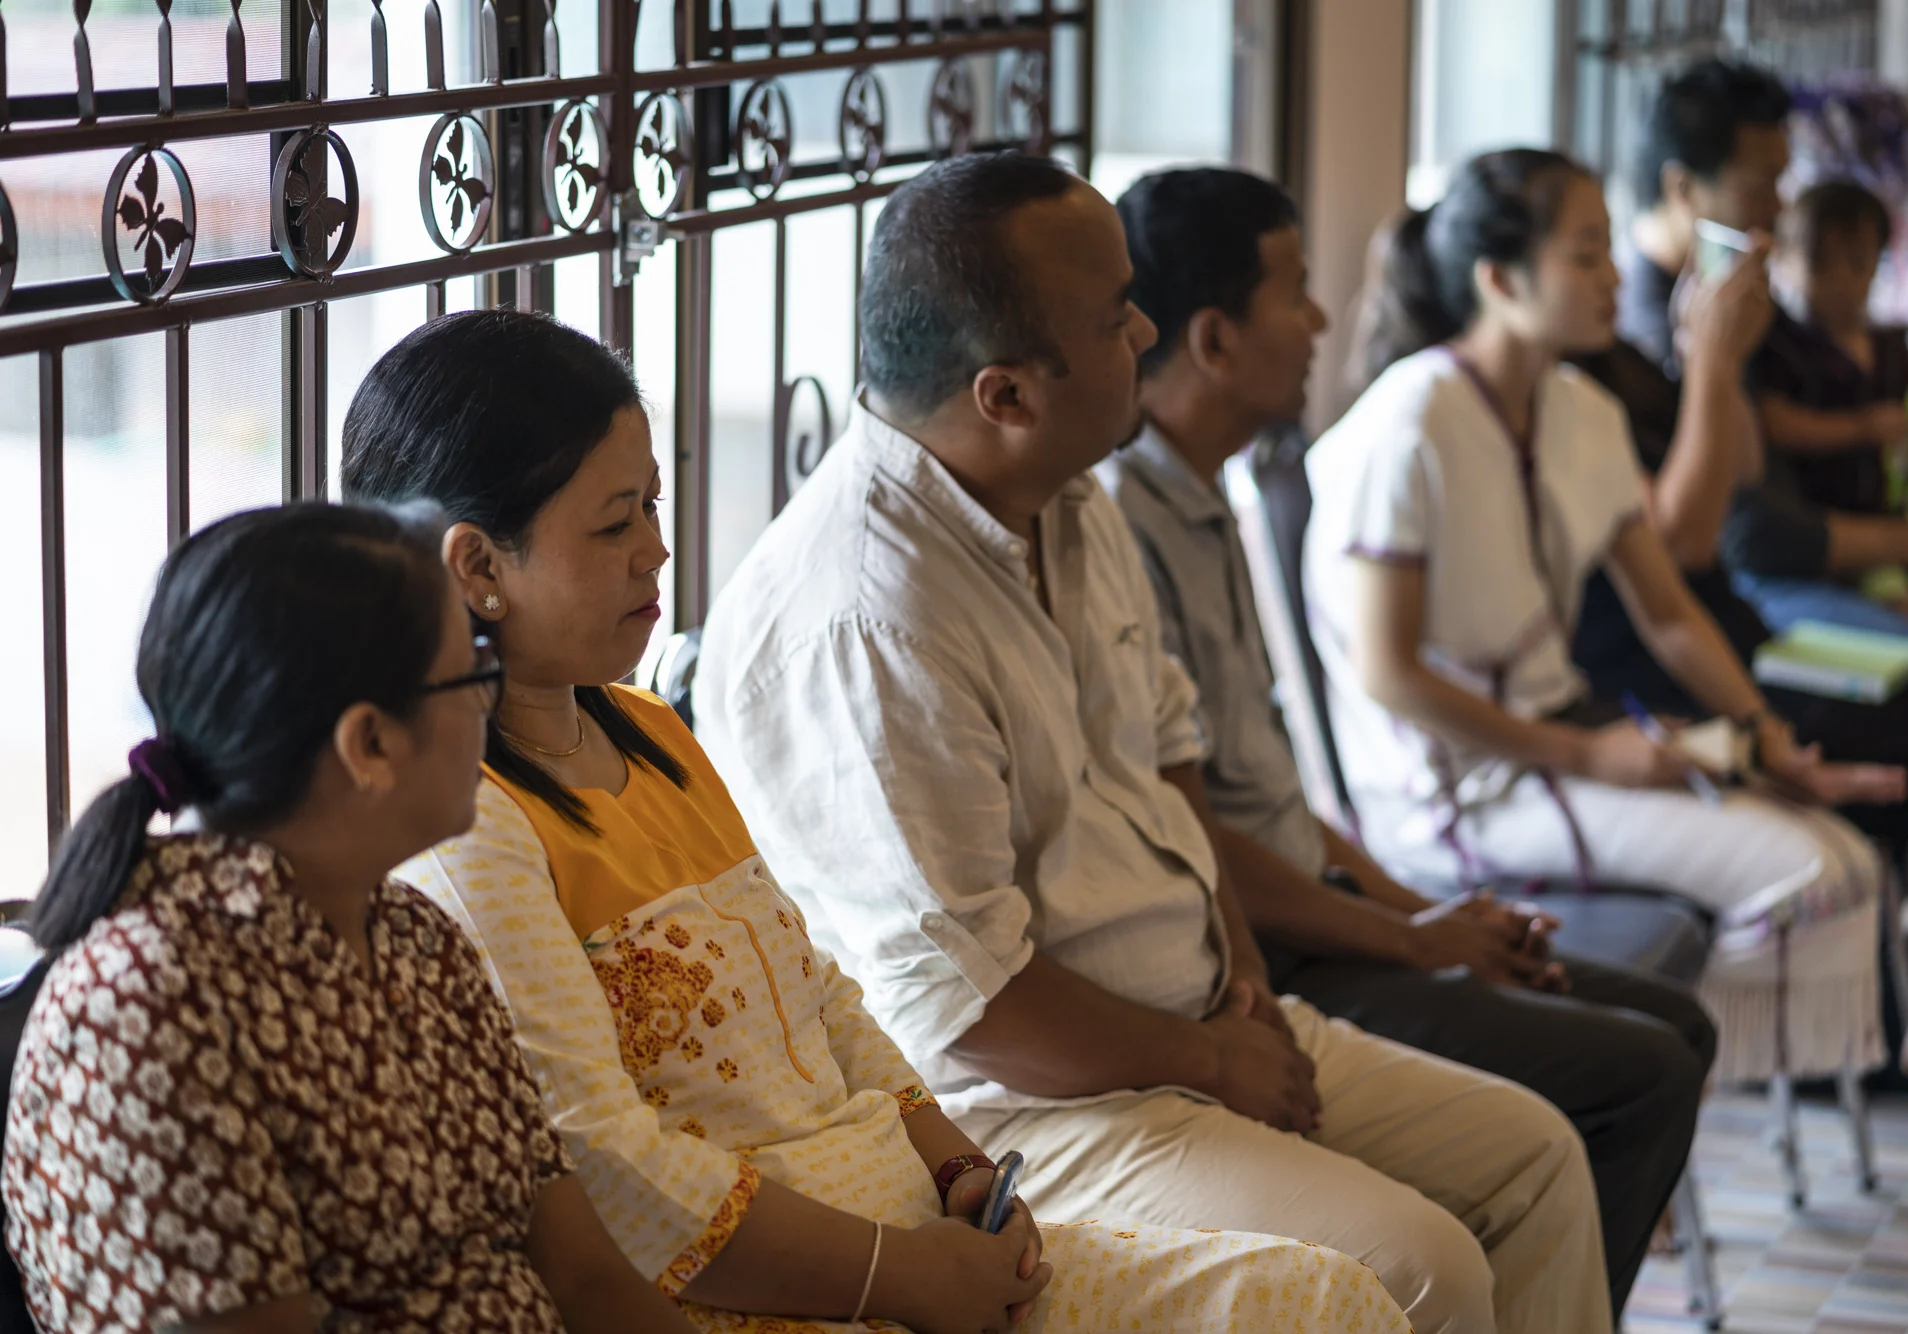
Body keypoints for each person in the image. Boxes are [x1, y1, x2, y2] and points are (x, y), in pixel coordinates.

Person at [340, 307, 1413, 1334]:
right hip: (768, 1297)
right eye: (615, 522)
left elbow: (819, 993)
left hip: (915, 1243)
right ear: (479, 567)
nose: (655, 551)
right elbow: (611, 1168)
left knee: (1326, 1300)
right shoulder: (470, 829)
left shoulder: (649, 731)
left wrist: (960, 1170)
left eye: (654, 506)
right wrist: (897, 1275)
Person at [697, 151, 1614, 1334]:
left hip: (1192, 1021)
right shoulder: (867, 619)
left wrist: (1244, 989)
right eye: (1114, 315)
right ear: (1004, 394)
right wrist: (1211, 1059)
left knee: (1534, 1155)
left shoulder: (1068, 494)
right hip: (1028, 1107)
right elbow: (976, 1013)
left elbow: (1169, 754)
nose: (1144, 329)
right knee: (1420, 1266)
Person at [1100, 164, 1716, 1318]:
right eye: (1293, 290)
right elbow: (1199, 839)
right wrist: (1409, 934)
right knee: (1637, 1076)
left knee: (1674, 1022)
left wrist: (1427, 916)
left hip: (1321, 903)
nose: (1320, 317)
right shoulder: (1122, 525)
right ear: (1214, 339)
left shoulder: (1208, 493)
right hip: (1264, 950)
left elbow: (1270, 797)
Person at [1, 503, 704, 1334]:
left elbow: (584, 1277)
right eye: (472, 674)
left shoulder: (415, 937)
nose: (491, 707)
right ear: (369, 744)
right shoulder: (147, 1006)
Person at [1313, 147, 1905, 1092]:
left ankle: (1654, 1094)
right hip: (1456, 797)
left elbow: (1669, 613)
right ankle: (1657, 1097)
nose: (1615, 279)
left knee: (1847, 855)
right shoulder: (1409, 423)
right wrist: (1589, 755)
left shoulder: (1580, 410)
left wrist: (1766, 739)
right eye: (1585, 255)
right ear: (1501, 280)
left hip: (1555, 753)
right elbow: (1389, 674)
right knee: (1812, 878)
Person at [1570, 57, 1908, 1104]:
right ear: (1682, 188)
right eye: (1759, 184)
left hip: (1731, 622)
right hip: (1704, 640)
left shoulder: (1721, 301)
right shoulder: (1627, 332)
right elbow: (1720, 537)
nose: (1777, 208)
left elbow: (1749, 480)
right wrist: (1716, 365)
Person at [1740, 179, 1908, 684]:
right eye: (1820, 264)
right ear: (1785, 260)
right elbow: (1775, 422)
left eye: (1857, 263)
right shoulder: (1786, 347)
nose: (1840, 282)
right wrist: (1859, 428)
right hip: (1844, 518)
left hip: (1901, 497)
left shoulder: (1890, 346)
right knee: (1907, 618)